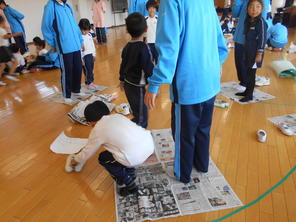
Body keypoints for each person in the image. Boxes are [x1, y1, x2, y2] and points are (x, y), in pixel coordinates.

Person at [144, 0, 228, 184]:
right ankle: (202, 164)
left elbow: (168, 47)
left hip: (189, 82)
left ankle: (183, 174)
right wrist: (217, 62)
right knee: (203, 128)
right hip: (210, 79)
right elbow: (219, 38)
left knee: (184, 135)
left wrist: (154, 84)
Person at [66, 101, 155, 196]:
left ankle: (129, 183)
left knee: (104, 158)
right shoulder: (118, 116)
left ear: (90, 122)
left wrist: (75, 160)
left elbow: (87, 152)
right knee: (123, 147)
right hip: (149, 145)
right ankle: (131, 171)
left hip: (134, 158)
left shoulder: (97, 130)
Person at [42, 0, 85, 104]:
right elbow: (46, 27)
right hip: (64, 45)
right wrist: (53, 43)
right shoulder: (50, 6)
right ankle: (67, 95)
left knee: (78, 68)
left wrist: (80, 41)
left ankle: (76, 90)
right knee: (68, 70)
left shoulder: (67, 6)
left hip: (75, 44)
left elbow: (74, 25)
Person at [119, 12, 154, 129]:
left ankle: (134, 125)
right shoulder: (144, 48)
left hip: (128, 85)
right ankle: (139, 137)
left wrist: (121, 80)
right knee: (142, 116)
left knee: (136, 109)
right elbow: (149, 68)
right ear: (146, 29)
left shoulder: (126, 47)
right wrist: (154, 85)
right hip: (138, 87)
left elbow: (122, 65)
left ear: (127, 30)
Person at [232, 0, 269, 91]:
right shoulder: (245, 2)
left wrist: (260, 49)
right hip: (239, 36)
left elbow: (261, 21)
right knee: (239, 62)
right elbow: (235, 14)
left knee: (248, 65)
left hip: (250, 40)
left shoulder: (262, 2)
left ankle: (246, 85)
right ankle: (243, 82)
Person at [0, 15, 21, 85]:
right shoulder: (1, 30)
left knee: (2, 66)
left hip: (1, 49)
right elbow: (5, 36)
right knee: (15, 62)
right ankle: (10, 74)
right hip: (4, 48)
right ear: (2, 22)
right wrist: (16, 34)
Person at [79, 18, 96, 90]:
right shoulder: (79, 37)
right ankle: (89, 83)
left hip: (90, 55)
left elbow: (92, 45)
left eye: (87, 30)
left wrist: (94, 54)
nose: (85, 32)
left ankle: (89, 82)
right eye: (83, 30)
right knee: (87, 70)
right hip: (84, 56)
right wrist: (81, 58)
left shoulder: (89, 35)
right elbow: (79, 49)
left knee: (91, 69)